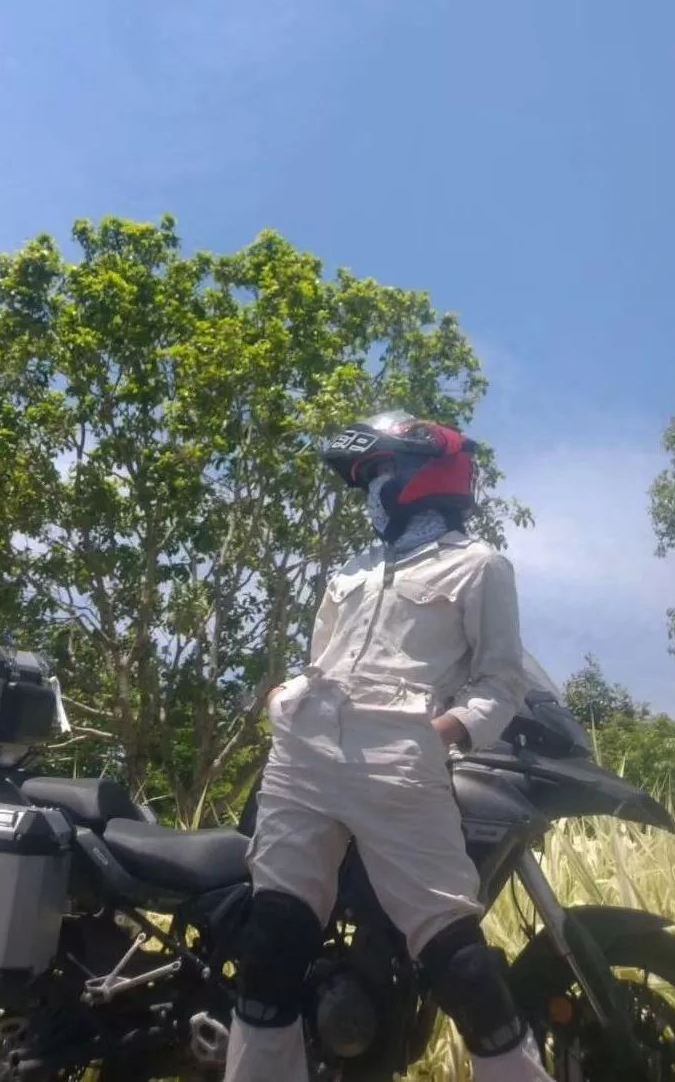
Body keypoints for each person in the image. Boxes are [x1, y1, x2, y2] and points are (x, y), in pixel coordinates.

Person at [223, 411, 555, 1082]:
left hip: (398, 757)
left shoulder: (479, 566)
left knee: (455, 954)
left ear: (426, 472)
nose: (370, 489)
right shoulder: (350, 570)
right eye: (366, 477)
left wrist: (445, 732)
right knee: (271, 945)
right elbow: (322, 659)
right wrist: (287, 696)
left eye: (378, 472)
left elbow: (500, 679)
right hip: (302, 755)